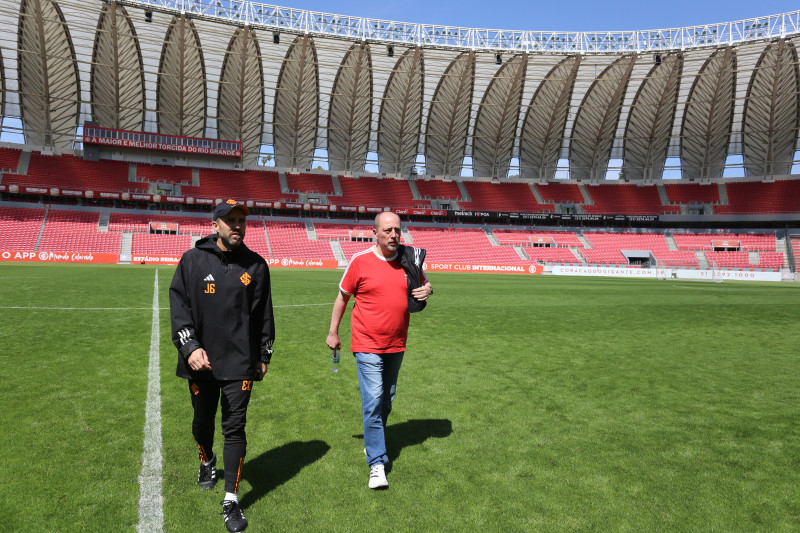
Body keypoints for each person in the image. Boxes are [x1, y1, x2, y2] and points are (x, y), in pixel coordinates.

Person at [170, 199, 275, 533]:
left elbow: (263, 315)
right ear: (214, 224)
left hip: (240, 362)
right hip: (201, 361)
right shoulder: (192, 261)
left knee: (235, 427)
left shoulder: (256, 266)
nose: (237, 226)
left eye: (241, 221)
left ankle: (231, 499)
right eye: (230, 221)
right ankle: (206, 459)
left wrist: (263, 355)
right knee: (202, 423)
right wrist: (190, 347)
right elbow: (180, 307)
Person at [326, 211, 432, 489]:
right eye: (387, 230)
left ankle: (373, 441)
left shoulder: (409, 259)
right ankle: (376, 463)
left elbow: (423, 284)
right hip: (366, 343)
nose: (393, 235)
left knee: (387, 400)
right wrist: (333, 332)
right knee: (373, 400)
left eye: (397, 230)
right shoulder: (360, 261)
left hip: (396, 343)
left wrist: (428, 289)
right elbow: (342, 297)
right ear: (375, 232)